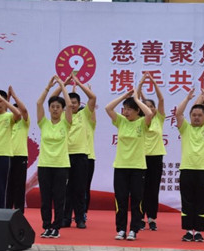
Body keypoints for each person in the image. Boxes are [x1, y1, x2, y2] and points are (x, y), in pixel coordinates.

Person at [105, 88, 153, 241]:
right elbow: (108, 108)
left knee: (136, 201)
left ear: (137, 111)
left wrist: (137, 100)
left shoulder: (142, 123)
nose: (125, 112)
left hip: (138, 168)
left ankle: (133, 229)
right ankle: (121, 229)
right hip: (120, 166)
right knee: (121, 200)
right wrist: (124, 96)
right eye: (124, 109)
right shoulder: (121, 121)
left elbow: (149, 114)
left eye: (129, 109)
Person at [176, 87, 204, 242]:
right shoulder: (185, 128)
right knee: (187, 201)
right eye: (194, 115)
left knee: (202, 202)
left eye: (200, 115)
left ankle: (199, 231)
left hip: (203, 170)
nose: (196, 117)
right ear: (190, 117)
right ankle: (189, 231)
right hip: (187, 170)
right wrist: (188, 99)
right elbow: (178, 113)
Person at [54, 76, 96, 229]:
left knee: (79, 189)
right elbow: (54, 99)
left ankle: (79, 219)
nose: (72, 105)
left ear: (79, 104)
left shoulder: (84, 115)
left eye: (75, 103)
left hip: (81, 156)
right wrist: (63, 85)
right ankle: (65, 218)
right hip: (65, 156)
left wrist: (78, 83)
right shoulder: (63, 116)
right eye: (69, 103)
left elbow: (93, 98)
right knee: (66, 189)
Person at [36, 75, 73, 239]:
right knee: (45, 199)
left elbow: (70, 105)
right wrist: (48, 87)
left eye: (58, 107)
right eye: (52, 106)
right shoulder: (43, 123)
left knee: (59, 198)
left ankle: (56, 227)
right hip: (45, 165)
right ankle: (46, 226)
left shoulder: (66, 123)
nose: (55, 109)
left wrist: (63, 86)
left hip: (61, 165)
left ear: (62, 109)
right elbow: (39, 103)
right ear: (49, 109)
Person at [138, 73, 166, 231]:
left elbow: (161, 99)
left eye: (151, 106)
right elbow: (136, 98)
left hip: (156, 157)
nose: (149, 108)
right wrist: (141, 83)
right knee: (140, 189)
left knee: (153, 189)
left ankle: (152, 218)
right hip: (140, 158)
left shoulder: (159, 119)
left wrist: (154, 82)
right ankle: (140, 218)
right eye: (146, 106)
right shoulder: (140, 120)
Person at [5, 86, 29, 215]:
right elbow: (4, 111)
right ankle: (6, 212)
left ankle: (19, 214)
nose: (16, 113)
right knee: (7, 186)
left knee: (19, 187)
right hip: (7, 156)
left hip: (20, 157)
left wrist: (13, 96)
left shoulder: (24, 123)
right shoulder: (7, 122)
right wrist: (7, 98)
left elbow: (24, 110)